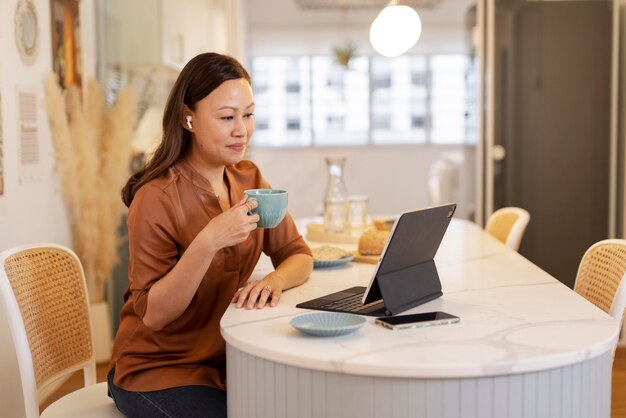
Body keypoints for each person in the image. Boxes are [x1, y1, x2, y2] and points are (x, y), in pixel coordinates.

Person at [107, 52, 313, 418]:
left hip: (226, 361)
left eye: (248, 114)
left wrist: (275, 282)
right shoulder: (155, 198)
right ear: (189, 118)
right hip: (157, 370)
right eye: (226, 117)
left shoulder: (250, 180)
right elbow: (154, 315)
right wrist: (207, 241)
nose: (242, 130)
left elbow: (298, 254)